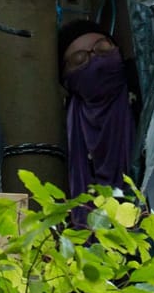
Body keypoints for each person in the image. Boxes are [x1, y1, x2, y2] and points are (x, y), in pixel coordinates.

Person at [57, 19, 140, 219]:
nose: (95, 59)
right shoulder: (65, 127)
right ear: (68, 77)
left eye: (102, 48)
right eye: (79, 60)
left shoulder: (144, 90)